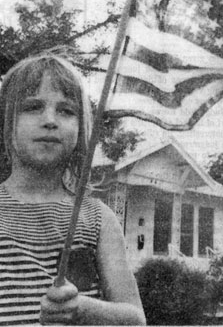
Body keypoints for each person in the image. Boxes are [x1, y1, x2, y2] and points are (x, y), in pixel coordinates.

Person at [0, 54, 146, 326]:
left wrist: (85, 310)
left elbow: (136, 319)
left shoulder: (98, 219)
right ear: (6, 123)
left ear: (81, 129)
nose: (50, 120)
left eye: (66, 110)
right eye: (32, 107)